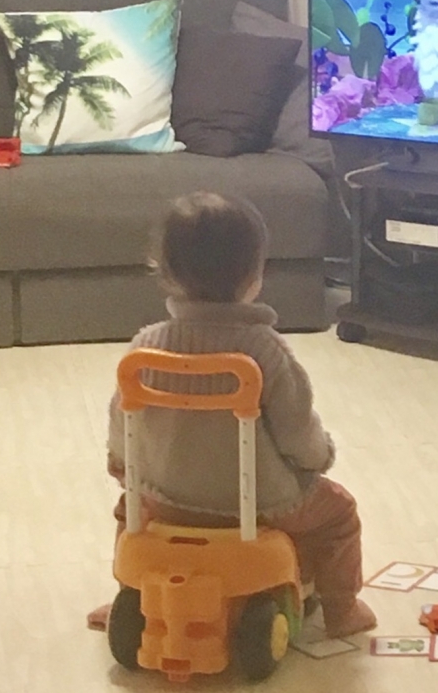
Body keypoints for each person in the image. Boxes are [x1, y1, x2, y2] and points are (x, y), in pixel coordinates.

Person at [88, 191, 376, 640]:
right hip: (258, 505)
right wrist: (319, 459)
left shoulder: (145, 345)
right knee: (338, 513)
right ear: (255, 276)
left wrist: (123, 464)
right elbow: (298, 432)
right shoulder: (265, 349)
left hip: (164, 499)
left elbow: (123, 421)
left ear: (162, 271)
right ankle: (343, 609)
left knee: (130, 511)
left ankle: (134, 591)